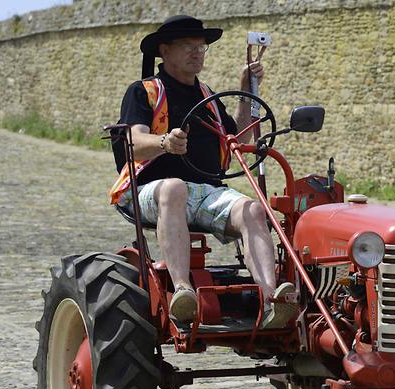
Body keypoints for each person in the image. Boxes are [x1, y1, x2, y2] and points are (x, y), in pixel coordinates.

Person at [110, 15, 295, 328]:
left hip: (204, 191)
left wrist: (247, 88)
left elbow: (237, 137)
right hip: (148, 190)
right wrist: (165, 142)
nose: (197, 52)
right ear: (164, 51)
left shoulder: (207, 96)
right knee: (174, 188)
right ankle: (183, 290)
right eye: (187, 47)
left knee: (252, 209)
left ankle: (270, 299)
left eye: (201, 47)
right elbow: (133, 141)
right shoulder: (145, 91)